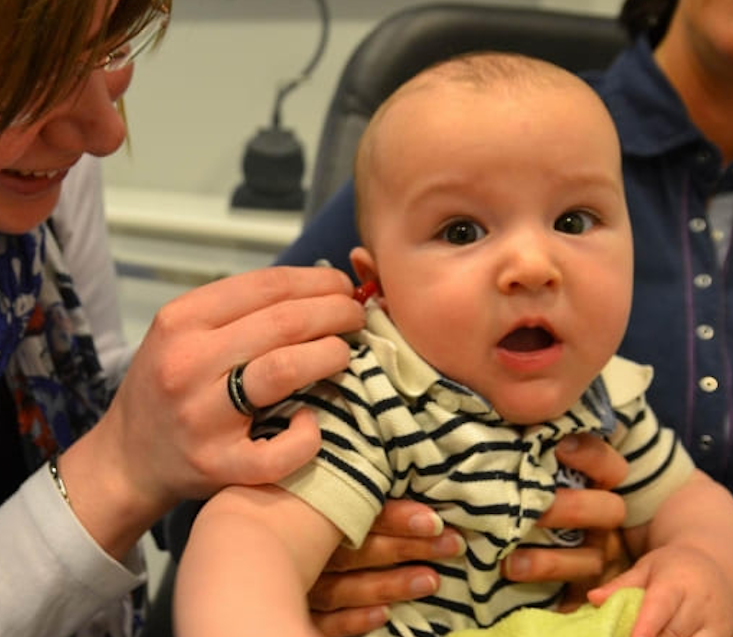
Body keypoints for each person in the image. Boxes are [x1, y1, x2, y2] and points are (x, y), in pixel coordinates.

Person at [0, 0, 371, 634]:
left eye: (109, 44)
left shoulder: (28, 183)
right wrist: (119, 471)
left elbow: (86, 382)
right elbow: (113, 450)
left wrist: (313, 519)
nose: (104, 133)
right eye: (16, 77)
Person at [175, 53, 733, 637]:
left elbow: (691, 502)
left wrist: (702, 561)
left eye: (573, 221)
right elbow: (249, 538)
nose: (533, 266)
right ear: (380, 285)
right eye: (462, 231)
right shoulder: (371, 398)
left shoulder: (606, 399)